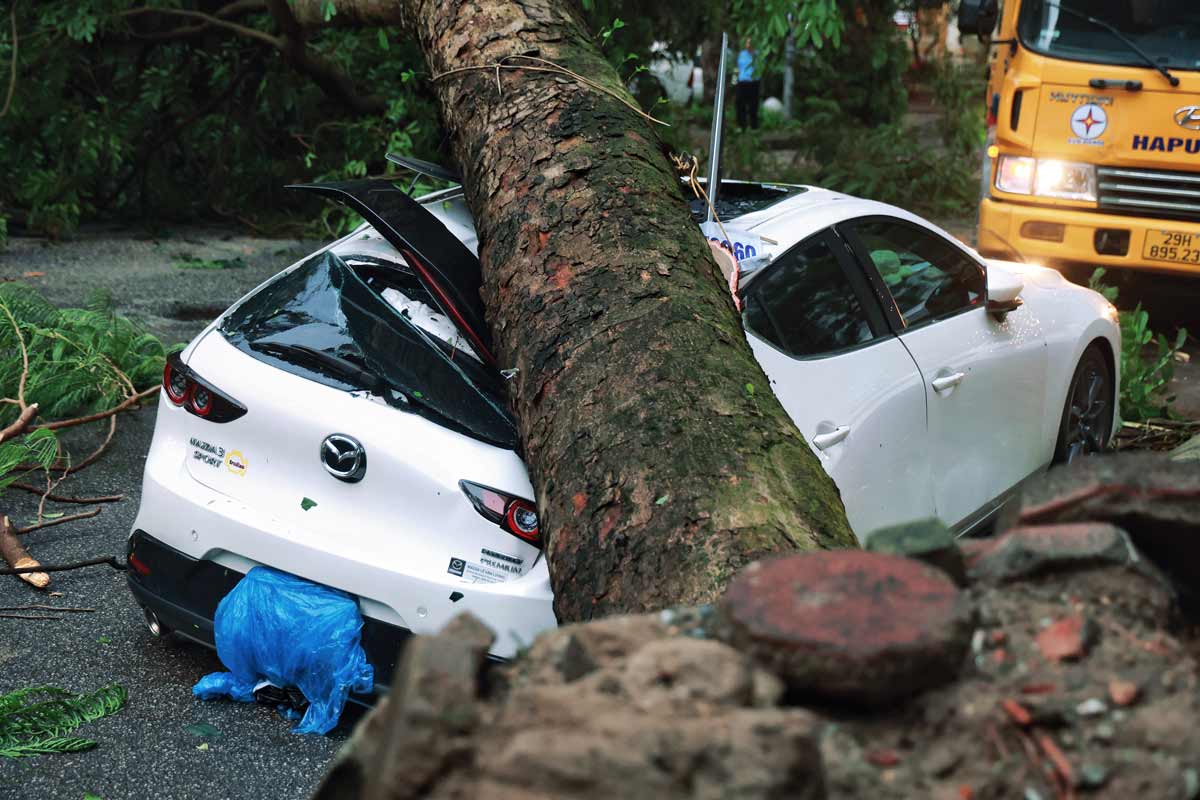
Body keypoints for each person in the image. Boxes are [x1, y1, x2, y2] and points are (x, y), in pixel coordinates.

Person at [735, 38, 760, 130]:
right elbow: (738, 67)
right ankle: (741, 126)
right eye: (748, 43)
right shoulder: (742, 54)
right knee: (740, 104)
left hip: (754, 82)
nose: (749, 45)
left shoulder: (758, 54)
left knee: (753, 105)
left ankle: (754, 126)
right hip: (742, 82)